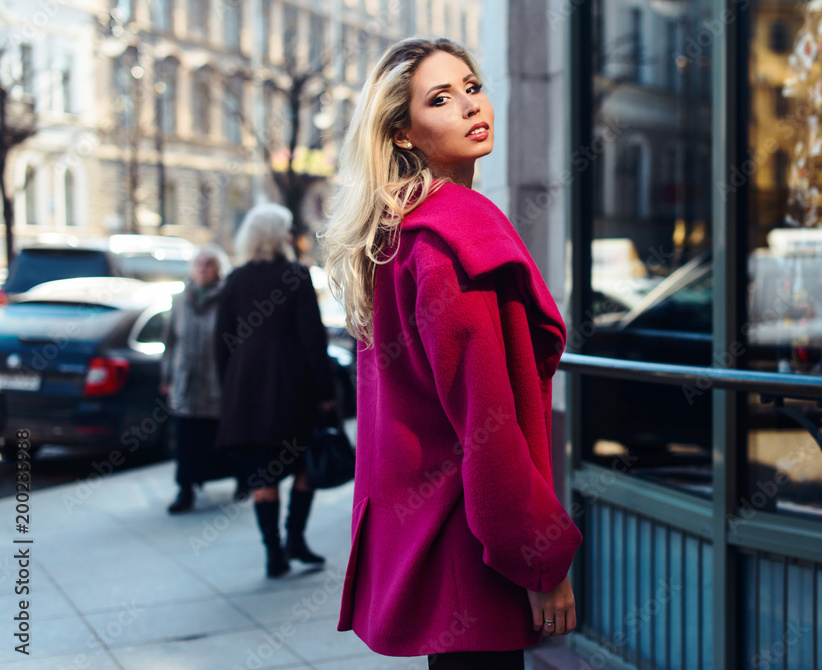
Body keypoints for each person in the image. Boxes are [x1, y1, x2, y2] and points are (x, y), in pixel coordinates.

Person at [323, 38, 581, 668]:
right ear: (404, 133)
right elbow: (487, 428)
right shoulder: (452, 240)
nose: (470, 104)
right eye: (440, 98)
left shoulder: (402, 239)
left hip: (441, 541)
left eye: (471, 86)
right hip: (473, 547)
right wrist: (541, 557)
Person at [215, 204, 336, 578]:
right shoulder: (296, 276)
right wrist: (327, 391)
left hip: (246, 389)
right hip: (291, 385)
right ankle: (294, 538)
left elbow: (221, 342)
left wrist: (229, 387)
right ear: (277, 235)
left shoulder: (234, 280)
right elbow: (313, 340)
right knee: (304, 464)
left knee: (262, 474)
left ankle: (274, 554)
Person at [161, 244, 236, 514]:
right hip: (186, 383)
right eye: (198, 263)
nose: (202, 268)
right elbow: (170, 340)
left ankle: (239, 480)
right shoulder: (180, 299)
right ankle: (186, 489)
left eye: (209, 263)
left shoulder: (228, 296)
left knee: (223, 437)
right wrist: (167, 376)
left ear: (219, 268)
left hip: (218, 383)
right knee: (185, 439)